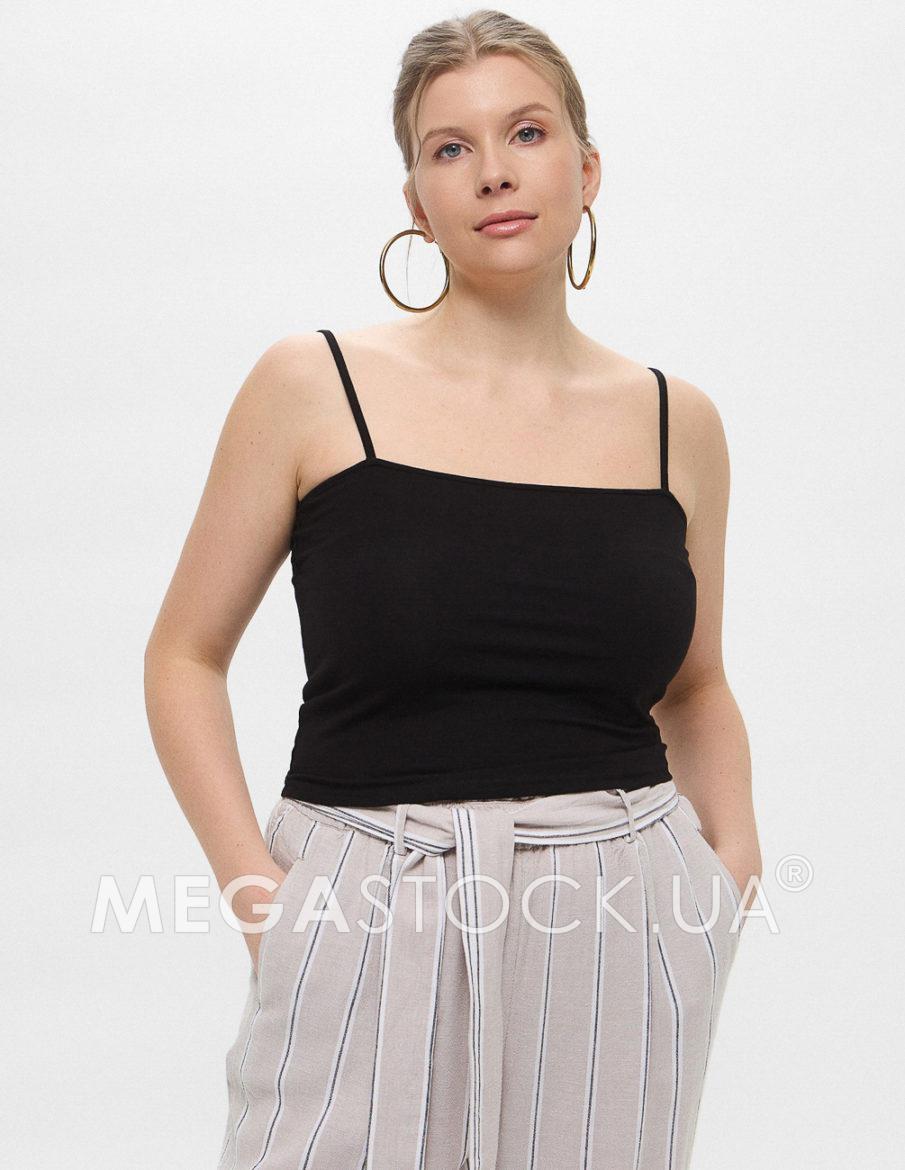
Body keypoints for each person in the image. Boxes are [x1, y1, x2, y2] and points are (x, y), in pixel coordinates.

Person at [144, 10, 762, 1169]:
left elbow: (695, 686)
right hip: (365, 893)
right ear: (416, 201)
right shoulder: (311, 386)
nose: (492, 171)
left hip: (619, 909)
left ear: (585, 169)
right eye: (448, 147)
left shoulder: (675, 423)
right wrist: (266, 907)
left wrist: (723, 878)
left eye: (525, 132)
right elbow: (183, 656)